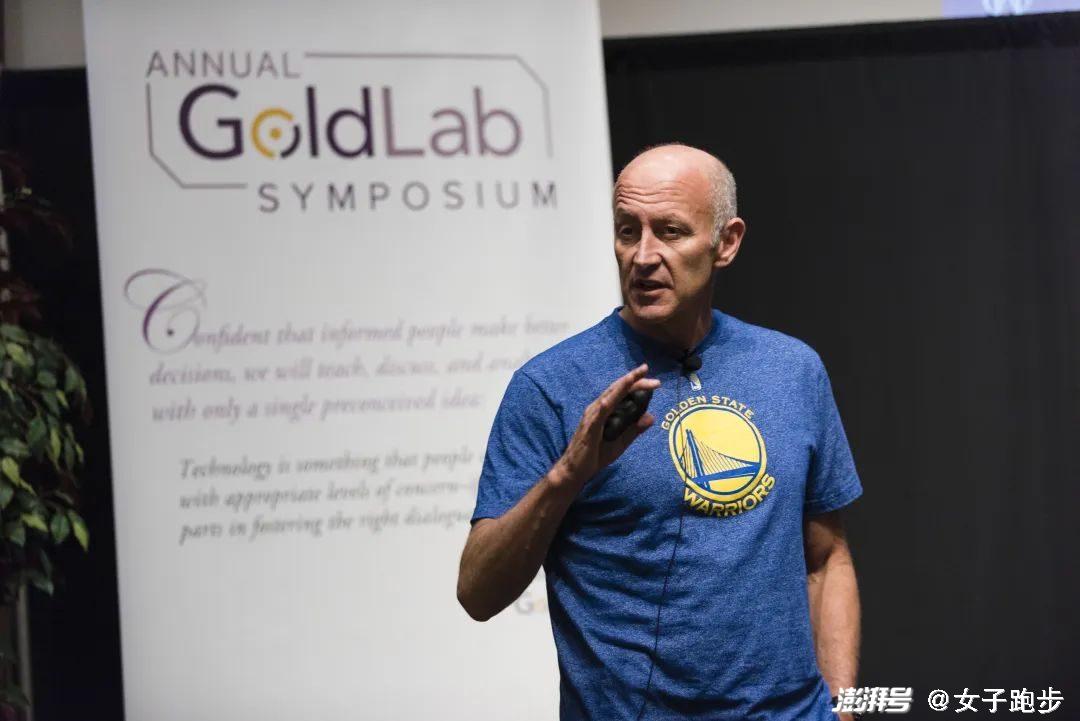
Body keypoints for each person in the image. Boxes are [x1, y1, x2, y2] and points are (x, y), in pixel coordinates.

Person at [457, 143, 863, 721]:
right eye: (628, 231)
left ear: (726, 242)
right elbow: (477, 593)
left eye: (670, 231)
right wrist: (568, 476)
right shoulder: (550, 385)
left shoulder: (792, 369)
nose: (643, 256)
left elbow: (827, 559)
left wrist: (843, 707)